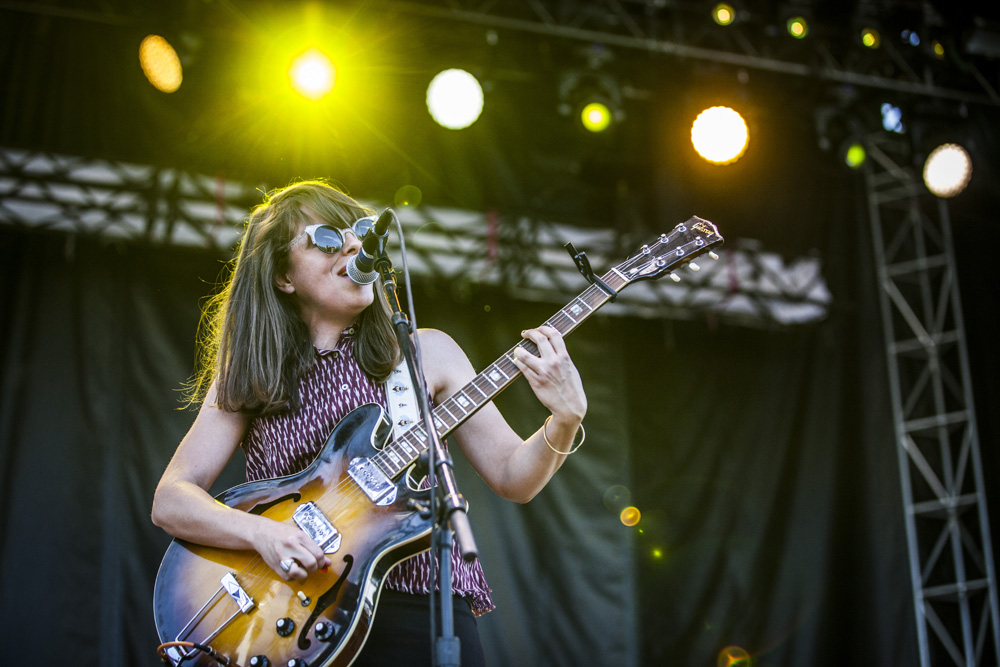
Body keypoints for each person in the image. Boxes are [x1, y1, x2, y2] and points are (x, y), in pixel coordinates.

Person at [151, 179, 588, 666]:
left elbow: (513, 477)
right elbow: (172, 498)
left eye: (358, 234)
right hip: (296, 613)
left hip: (424, 606)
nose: (354, 246)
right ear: (283, 277)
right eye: (327, 239)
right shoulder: (254, 371)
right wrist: (260, 534)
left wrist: (564, 420)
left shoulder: (427, 353)